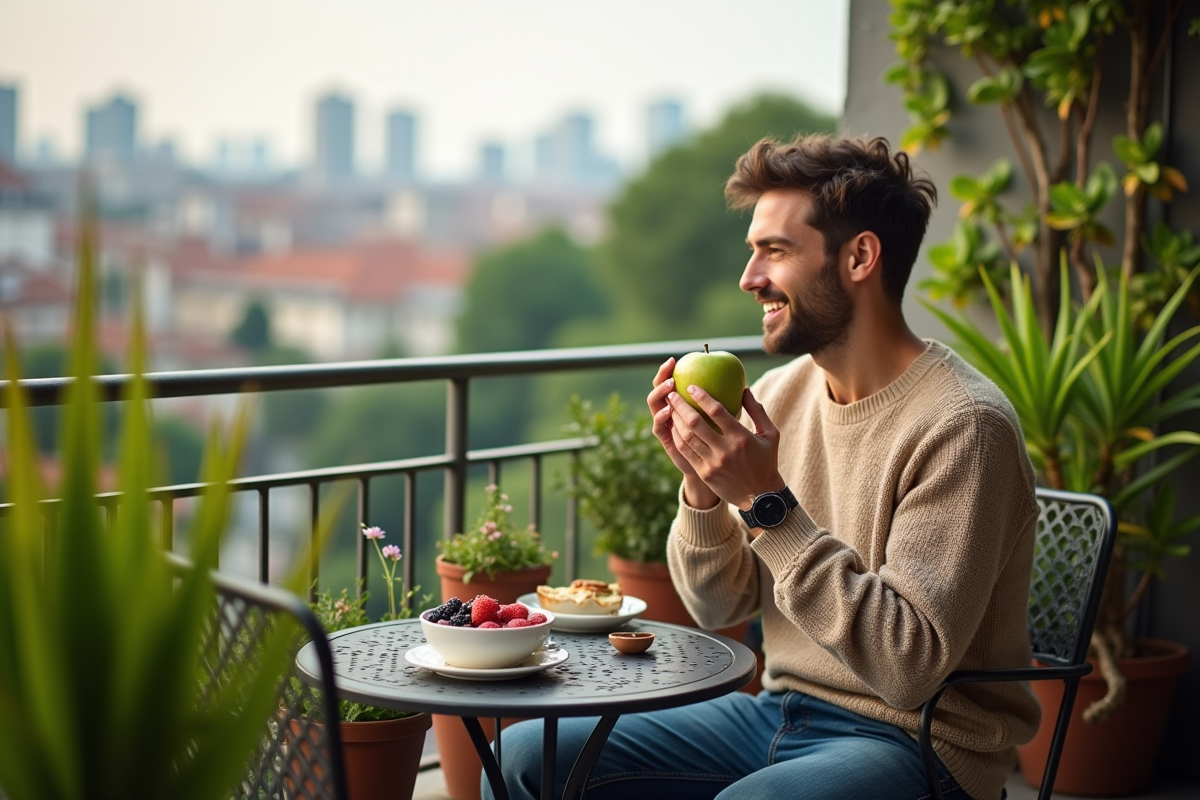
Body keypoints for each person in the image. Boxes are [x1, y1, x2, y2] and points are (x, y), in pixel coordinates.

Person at [487, 134, 1040, 800]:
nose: (750, 279)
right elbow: (721, 603)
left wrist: (768, 502)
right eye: (753, 251)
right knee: (525, 754)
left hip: (922, 743)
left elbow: (907, 668)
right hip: (778, 712)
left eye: (774, 251)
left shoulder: (964, 426)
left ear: (860, 256)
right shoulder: (782, 395)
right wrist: (702, 487)